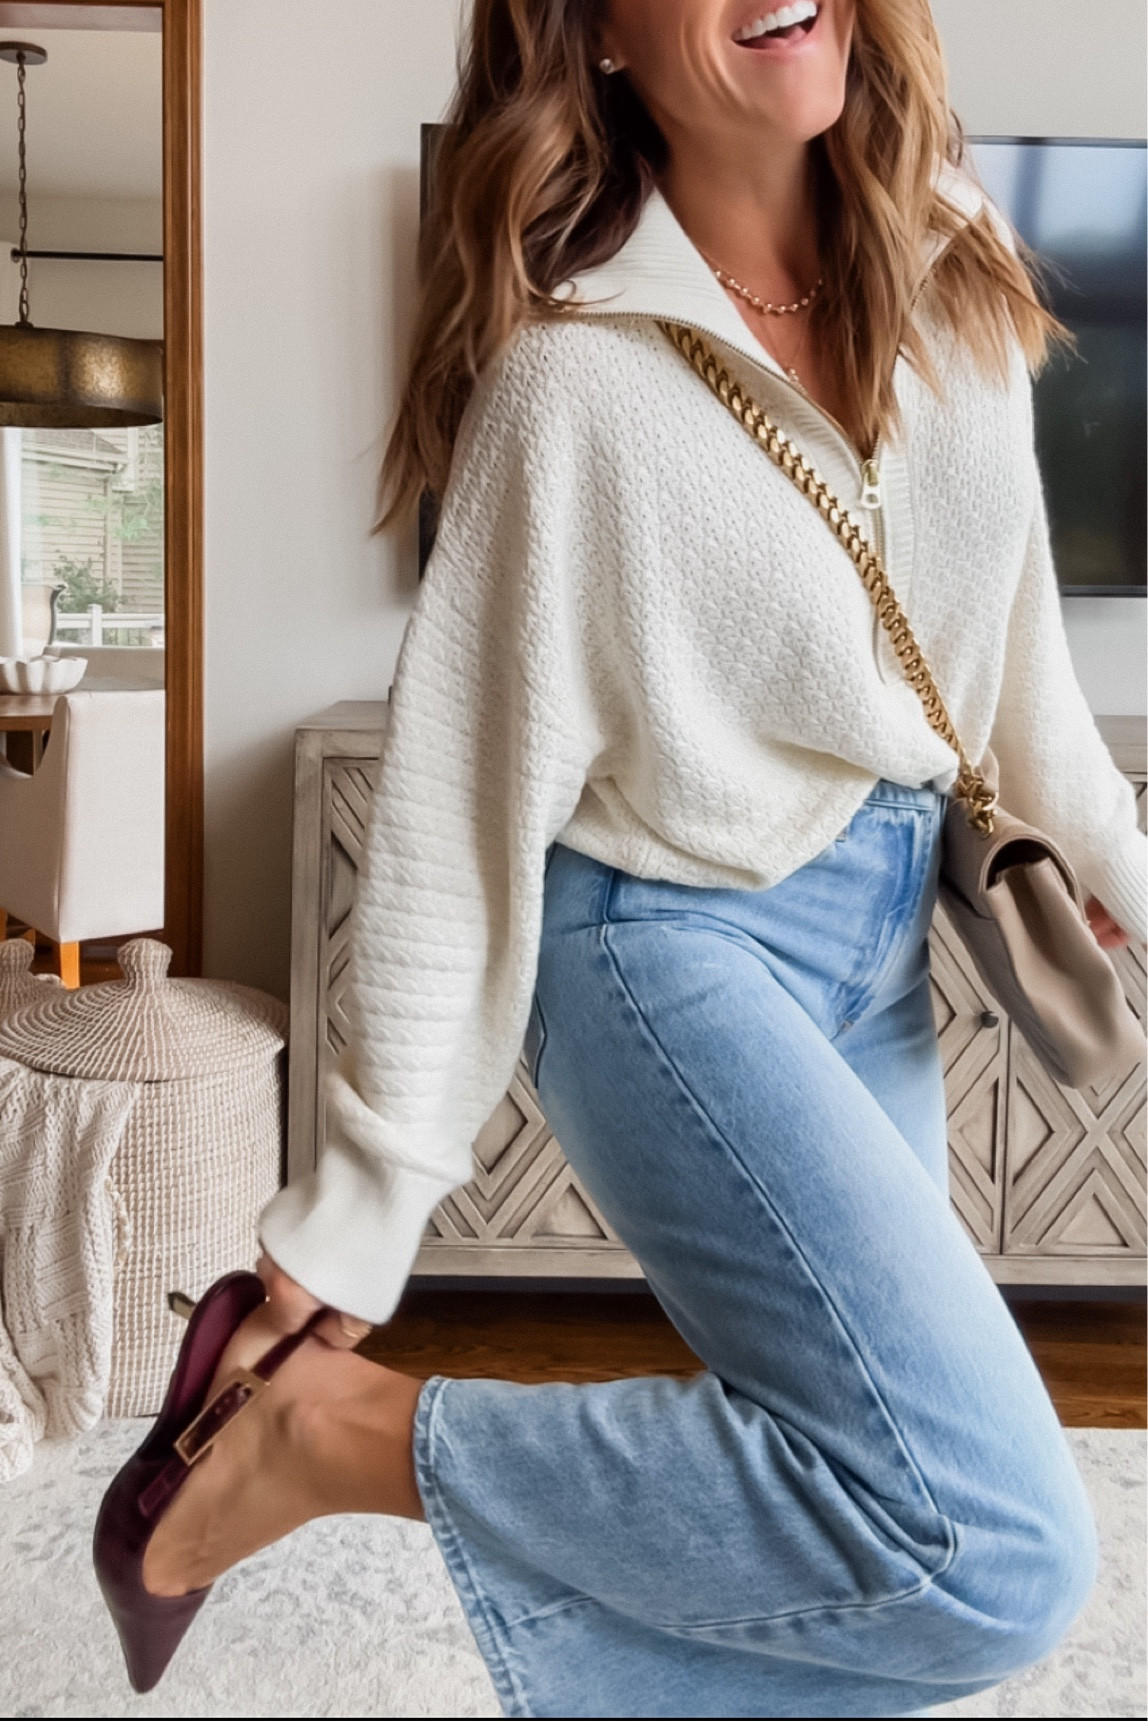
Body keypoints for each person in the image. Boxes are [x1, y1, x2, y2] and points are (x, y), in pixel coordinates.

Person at [99, 1, 1145, 1716]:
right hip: (657, 939)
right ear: (598, 38)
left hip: (878, 932)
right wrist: (358, 1217)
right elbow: (451, 809)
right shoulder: (569, 376)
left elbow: (1012, 669)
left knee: (877, 1511)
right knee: (1001, 1541)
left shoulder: (955, 281)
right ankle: (331, 1434)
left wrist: (1111, 866)